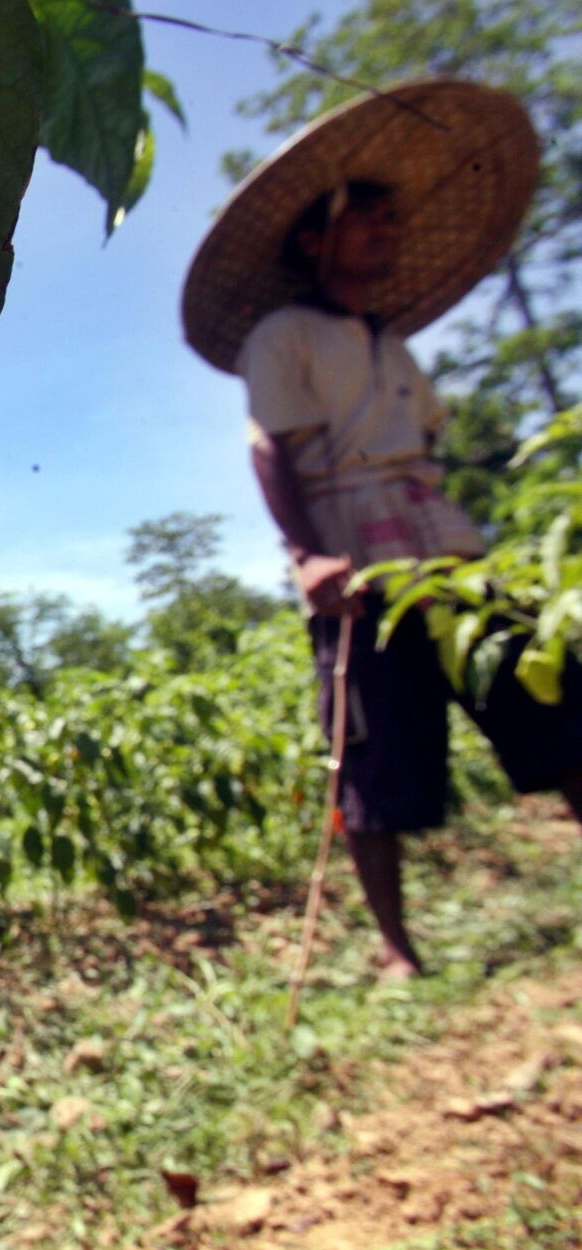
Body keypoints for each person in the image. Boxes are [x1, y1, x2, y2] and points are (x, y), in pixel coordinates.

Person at [181, 79, 582, 979]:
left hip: (450, 547)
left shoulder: (387, 342)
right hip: (360, 555)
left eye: (390, 220)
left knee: (552, 696)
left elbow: (430, 445)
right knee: (375, 757)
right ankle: (400, 949)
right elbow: (273, 452)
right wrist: (307, 554)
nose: (385, 232)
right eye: (367, 219)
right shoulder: (283, 336)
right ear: (316, 239)